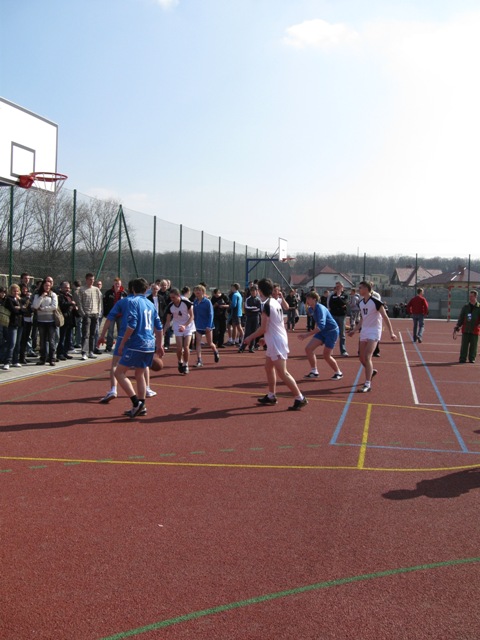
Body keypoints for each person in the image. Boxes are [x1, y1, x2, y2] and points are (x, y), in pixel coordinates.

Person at [243, 277, 308, 411]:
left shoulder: (267, 305)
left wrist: (249, 337)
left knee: (283, 372)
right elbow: (274, 324)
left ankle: (300, 398)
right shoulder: (274, 302)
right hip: (275, 339)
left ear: (260, 291)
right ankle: (271, 395)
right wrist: (266, 339)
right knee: (268, 367)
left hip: (277, 342)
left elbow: (263, 328)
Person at [114, 278, 164, 419]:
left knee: (119, 373)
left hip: (137, 343)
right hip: (149, 344)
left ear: (132, 289)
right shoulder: (150, 303)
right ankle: (142, 406)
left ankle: (136, 403)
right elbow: (159, 327)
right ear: (146, 289)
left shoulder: (133, 302)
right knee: (139, 374)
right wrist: (159, 345)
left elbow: (132, 325)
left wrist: (122, 343)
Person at [348, 281, 397, 393]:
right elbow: (363, 319)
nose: (359, 289)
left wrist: (391, 333)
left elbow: (385, 317)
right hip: (364, 330)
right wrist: (354, 330)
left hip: (374, 331)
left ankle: (367, 384)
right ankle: (371, 371)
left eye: (361, 288)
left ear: (366, 289)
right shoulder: (361, 303)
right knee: (361, 358)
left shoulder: (376, 302)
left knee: (367, 356)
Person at [298, 291, 343, 380]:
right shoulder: (311, 308)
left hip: (331, 332)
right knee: (308, 349)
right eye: (306, 299)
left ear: (314, 299)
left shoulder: (320, 309)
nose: (307, 301)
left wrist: (307, 335)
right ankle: (314, 371)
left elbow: (321, 325)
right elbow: (316, 321)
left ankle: (338, 372)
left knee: (326, 355)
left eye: (309, 299)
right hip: (322, 332)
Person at [163, 288, 195, 374]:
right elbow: (168, 321)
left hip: (188, 325)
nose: (172, 299)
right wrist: (164, 330)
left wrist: (185, 326)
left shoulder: (186, 303)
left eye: (173, 297)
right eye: (171, 297)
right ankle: (180, 361)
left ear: (178, 296)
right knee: (179, 347)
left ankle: (186, 364)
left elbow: (192, 316)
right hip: (177, 326)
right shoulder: (170, 306)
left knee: (186, 347)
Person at [75, 273, 103, 360]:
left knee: (93, 334)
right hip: (87, 314)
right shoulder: (82, 290)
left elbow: (99, 301)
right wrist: (83, 313)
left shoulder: (96, 290)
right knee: (85, 334)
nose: (92, 281)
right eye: (90, 279)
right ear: (86, 280)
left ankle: (91, 351)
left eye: (93, 279)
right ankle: (84, 352)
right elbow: (79, 302)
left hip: (95, 314)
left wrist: (98, 312)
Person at [31, 277, 58, 366]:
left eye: (49, 286)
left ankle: (52, 358)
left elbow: (54, 306)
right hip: (41, 321)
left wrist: (43, 308)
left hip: (51, 321)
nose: (47, 287)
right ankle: (43, 358)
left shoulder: (53, 295)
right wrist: (42, 296)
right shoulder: (37, 295)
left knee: (51, 341)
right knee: (42, 341)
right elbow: (35, 306)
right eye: (46, 285)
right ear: (42, 286)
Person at [192, 285, 220, 367]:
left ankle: (215, 351)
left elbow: (211, 314)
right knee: (198, 343)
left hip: (207, 325)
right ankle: (199, 360)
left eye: (199, 290)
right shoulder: (195, 302)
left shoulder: (207, 302)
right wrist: (194, 323)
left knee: (210, 343)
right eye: (196, 290)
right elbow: (194, 314)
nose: (197, 292)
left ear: (203, 292)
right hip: (198, 325)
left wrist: (209, 325)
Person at [2, 284, 26, 370]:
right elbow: (13, 310)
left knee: (17, 344)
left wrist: (20, 308)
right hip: (12, 323)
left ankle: (15, 360)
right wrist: (20, 309)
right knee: (11, 343)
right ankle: (7, 362)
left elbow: (25, 309)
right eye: (14, 291)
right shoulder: (9, 299)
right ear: (11, 291)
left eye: (17, 291)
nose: (16, 292)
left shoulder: (19, 299)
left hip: (20, 323)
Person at [454, 290, 480, 364]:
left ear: (475, 296)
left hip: (475, 329)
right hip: (466, 329)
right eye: (469, 296)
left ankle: (472, 358)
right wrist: (458, 325)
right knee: (464, 346)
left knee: (474, 345)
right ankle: (462, 358)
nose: (470, 297)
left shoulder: (479, 307)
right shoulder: (465, 307)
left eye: (472, 296)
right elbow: (461, 317)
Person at [103, 277, 127, 351]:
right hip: (111, 315)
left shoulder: (124, 293)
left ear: (121, 284)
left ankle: (120, 346)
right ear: (113, 284)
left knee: (121, 331)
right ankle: (108, 346)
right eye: (116, 283)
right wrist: (106, 313)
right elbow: (105, 303)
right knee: (110, 331)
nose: (117, 285)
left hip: (121, 315)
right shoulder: (109, 293)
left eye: (118, 284)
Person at [56, 281, 78, 360]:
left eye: (68, 288)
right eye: (65, 287)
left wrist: (75, 307)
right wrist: (70, 303)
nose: (67, 289)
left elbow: (72, 306)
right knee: (62, 338)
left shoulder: (70, 296)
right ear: (61, 288)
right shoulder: (59, 296)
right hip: (63, 319)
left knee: (68, 338)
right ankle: (60, 353)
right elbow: (62, 305)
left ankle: (65, 352)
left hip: (70, 319)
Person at [328, 282, 349, 357]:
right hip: (334, 315)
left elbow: (344, 303)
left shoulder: (345, 295)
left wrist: (339, 297)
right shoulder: (332, 296)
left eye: (339, 286)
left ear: (342, 287)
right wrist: (339, 305)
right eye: (336, 286)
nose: (337, 288)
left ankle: (343, 351)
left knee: (342, 334)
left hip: (341, 316)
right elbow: (331, 305)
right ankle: (330, 350)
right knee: (332, 332)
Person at [239, 284, 262, 353]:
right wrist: (254, 308)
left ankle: (251, 347)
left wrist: (253, 309)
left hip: (256, 318)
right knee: (247, 332)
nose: (253, 292)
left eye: (254, 291)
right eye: (251, 291)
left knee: (254, 333)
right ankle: (242, 347)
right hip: (249, 318)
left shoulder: (258, 300)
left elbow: (259, 309)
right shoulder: (248, 299)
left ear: (256, 291)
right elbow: (247, 307)